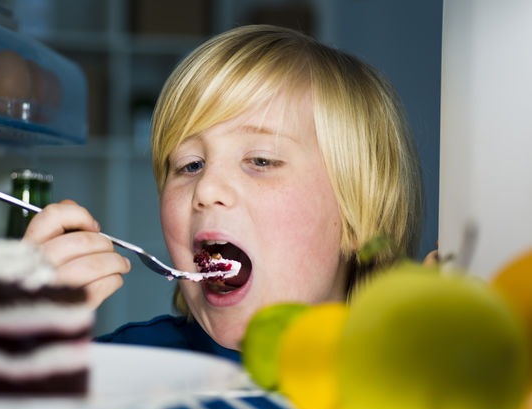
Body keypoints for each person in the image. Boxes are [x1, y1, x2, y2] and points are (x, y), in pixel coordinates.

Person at [23, 25, 423, 362]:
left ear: (359, 220)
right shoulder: (124, 367)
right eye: (189, 165)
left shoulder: (419, 381)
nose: (207, 188)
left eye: (261, 161)